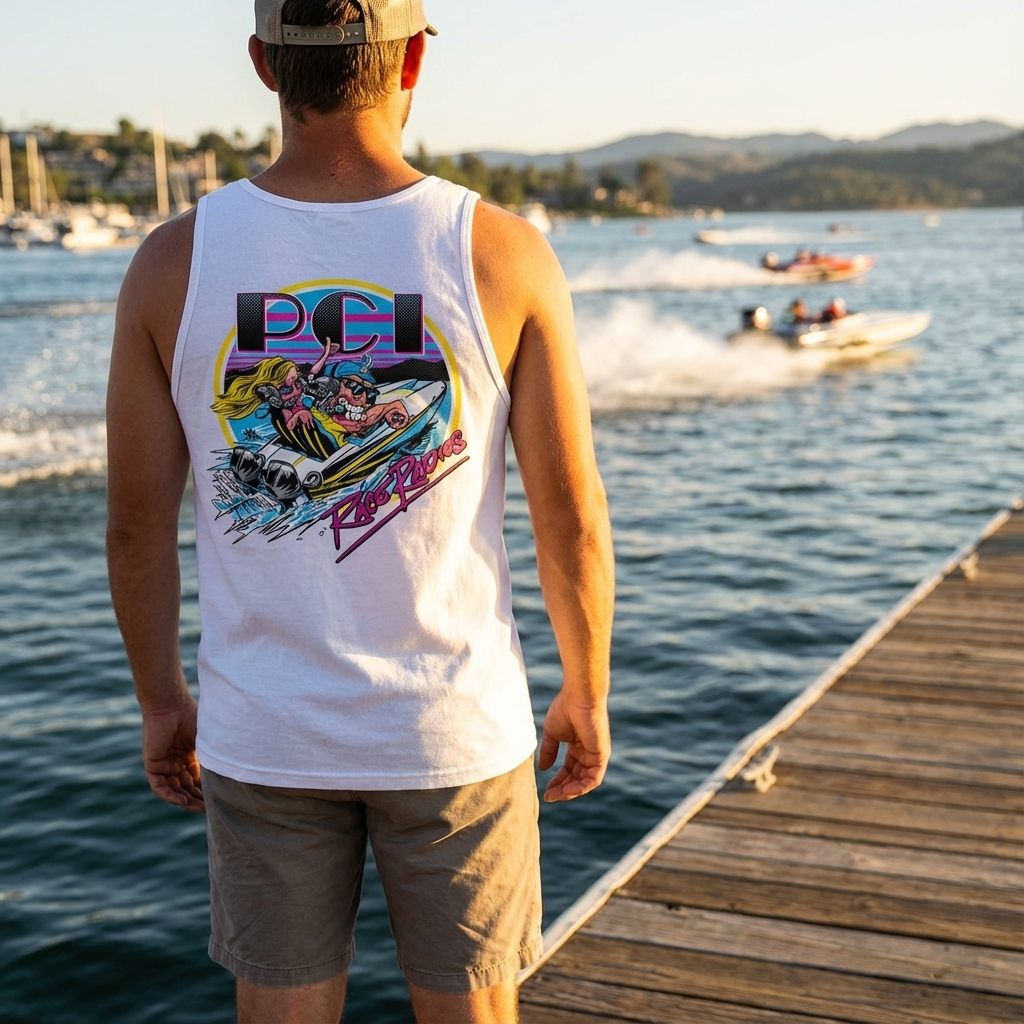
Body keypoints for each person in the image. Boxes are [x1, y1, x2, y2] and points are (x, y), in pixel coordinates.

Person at [105, 2, 615, 1023]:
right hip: (455, 730)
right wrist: (586, 685)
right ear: (414, 57)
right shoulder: (504, 252)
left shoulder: (172, 260)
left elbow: (134, 522)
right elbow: (571, 518)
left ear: (262, 64)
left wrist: (161, 700)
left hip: (265, 730)